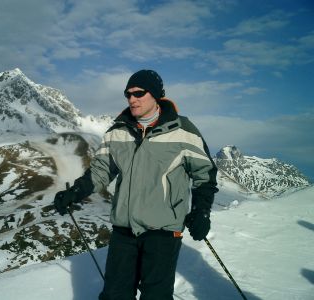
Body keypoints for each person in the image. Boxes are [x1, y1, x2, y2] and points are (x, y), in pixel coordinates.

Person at [54, 69, 218, 300]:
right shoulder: (117, 132)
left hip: (163, 233)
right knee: (114, 295)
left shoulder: (184, 132)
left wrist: (201, 212)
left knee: (156, 297)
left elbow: (205, 175)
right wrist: (74, 192)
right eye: (128, 94)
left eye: (139, 93)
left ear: (156, 95)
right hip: (124, 231)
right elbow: (100, 171)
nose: (132, 99)